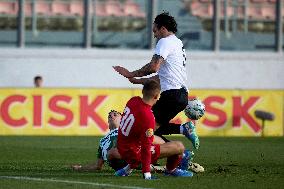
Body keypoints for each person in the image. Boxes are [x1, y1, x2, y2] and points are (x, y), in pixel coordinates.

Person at [113, 12, 199, 150]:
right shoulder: (177, 42)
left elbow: (153, 67)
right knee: (150, 129)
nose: (154, 35)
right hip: (180, 95)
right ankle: (183, 132)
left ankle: (178, 154)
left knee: (146, 129)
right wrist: (136, 80)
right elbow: (161, 77)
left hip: (172, 95)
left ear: (163, 29)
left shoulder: (164, 42)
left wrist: (130, 73)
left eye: (155, 30)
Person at [115, 80, 193, 179]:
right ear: (157, 96)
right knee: (179, 146)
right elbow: (146, 147)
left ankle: (126, 170)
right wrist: (147, 174)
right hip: (132, 153)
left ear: (143, 91)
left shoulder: (133, 100)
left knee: (152, 139)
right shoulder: (148, 116)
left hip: (121, 146)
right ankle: (171, 170)